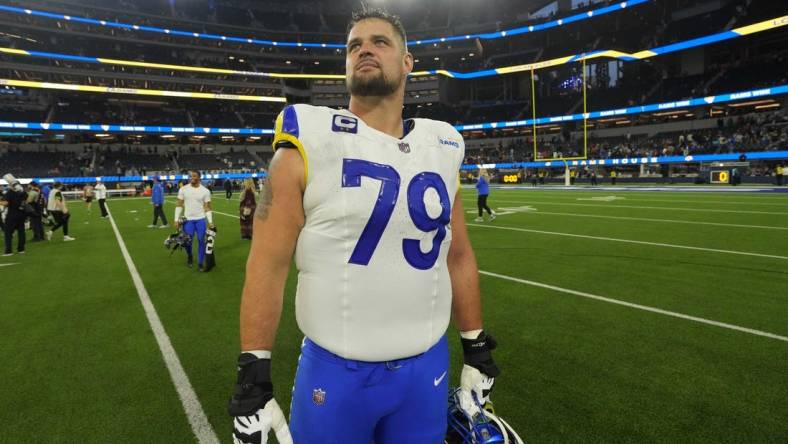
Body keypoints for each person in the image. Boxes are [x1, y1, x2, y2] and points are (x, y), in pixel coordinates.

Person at [228, 9, 501, 444]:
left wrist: (475, 344)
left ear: (408, 62)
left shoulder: (442, 145)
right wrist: (253, 375)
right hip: (336, 374)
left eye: (379, 42)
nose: (364, 50)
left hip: (426, 366)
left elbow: (458, 253)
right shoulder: (309, 138)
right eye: (354, 45)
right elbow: (267, 263)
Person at [174, 171, 213, 271]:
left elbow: (207, 207)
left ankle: (200, 263)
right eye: (191, 176)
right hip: (188, 220)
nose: (192, 177)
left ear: (199, 177)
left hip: (200, 219)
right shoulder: (183, 189)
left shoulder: (205, 191)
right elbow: (179, 204)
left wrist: (210, 221)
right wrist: (176, 219)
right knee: (187, 242)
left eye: (194, 176)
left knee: (201, 241)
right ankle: (190, 256)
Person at [1, 174, 27, 256]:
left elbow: (5, 203)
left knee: (8, 233)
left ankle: (8, 251)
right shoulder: (23, 193)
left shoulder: (9, 193)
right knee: (21, 232)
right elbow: (26, 200)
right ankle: (21, 249)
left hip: (12, 215)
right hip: (21, 214)